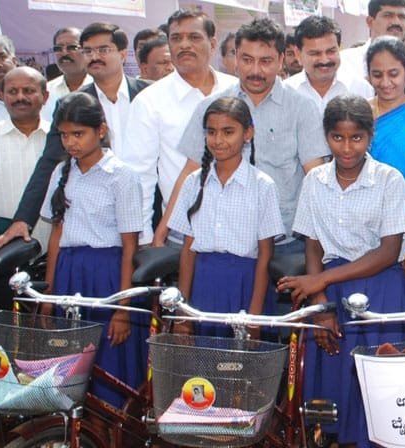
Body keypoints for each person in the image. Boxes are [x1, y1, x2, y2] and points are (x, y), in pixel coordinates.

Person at [276, 95, 405, 447]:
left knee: (381, 392)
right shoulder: (315, 180)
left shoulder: (389, 180)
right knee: (333, 390)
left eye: (356, 138)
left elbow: (387, 252)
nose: (347, 147)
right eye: (338, 137)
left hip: (381, 292)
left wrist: (319, 281)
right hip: (332, 294)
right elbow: (313, 245)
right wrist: (321, 306)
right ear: (327, 137)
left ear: (370, 137)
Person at [0, 23, 151, 257]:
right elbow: (49, 162)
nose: (94, 57)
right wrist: (23, 219)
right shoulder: (71, 103)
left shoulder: (150, 95)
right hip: (98, 225)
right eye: (87, 51)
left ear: (123, 53)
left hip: (150, 219)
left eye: (103, 49)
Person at [174, 17, 328, 255]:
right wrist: (161, 233)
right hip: (223, 240)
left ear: (280, 60)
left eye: (265, 61)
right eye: (247, 60)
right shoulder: (211, 106)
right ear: (235, 59)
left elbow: (315, 176)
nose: (256, 70)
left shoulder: (301, 108)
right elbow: (190, 172)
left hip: (285, 244)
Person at [39, 92, 145, 409]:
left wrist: (123, 308)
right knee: (69, 362)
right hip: (69, 274)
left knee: (108, 362)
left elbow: (130, 246)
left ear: (100, 130)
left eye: (79, 134)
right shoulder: (61, 173)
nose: (71, 142)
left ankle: (111, 430)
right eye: (65, 135)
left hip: (107, 277)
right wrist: (48, 296)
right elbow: (56, 235)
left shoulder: (121, 175)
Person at [168, 97, 283, 337]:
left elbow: (265, 256)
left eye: (228, 132)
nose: (218, 140)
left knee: (240, 366)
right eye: (211, 132)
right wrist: (183, 310)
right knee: (202, 363)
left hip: (246, 283)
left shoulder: (262, 186)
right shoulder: (193, 183)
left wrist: (254, 316)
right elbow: (188, 251)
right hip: (203, 283)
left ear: (248, 133)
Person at [122, 9, 237, 246]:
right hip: (182, 234)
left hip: (242, 230)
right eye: (176, 38)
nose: (184, 45)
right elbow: (138, 176)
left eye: (194, 37)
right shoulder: (150, 101)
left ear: (212, 44)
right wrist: (144, 238)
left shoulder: (237, 91)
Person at [0, 67, 50, 311]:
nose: (20, 97)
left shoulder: (62, 139)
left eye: (28, 90)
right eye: (12, 91)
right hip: (1, 259)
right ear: (2, 95)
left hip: (53, 257)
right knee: (4, 335)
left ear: (45, 96)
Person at [366, 37, 405, 219]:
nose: (385, 83)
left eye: (393, 74)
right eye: (377, 75)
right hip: (366, 217)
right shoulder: (359, 114)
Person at [339, 0, 405, 98]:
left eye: (401, 17)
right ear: (370, 22)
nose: (396, 22)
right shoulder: (346, 63)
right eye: (388, 15)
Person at [284, 15, 373, 115]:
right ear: (298, 54)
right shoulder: (285, 93)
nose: (324, 60)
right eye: (315, 53)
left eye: (331, 51)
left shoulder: (360, 88)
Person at [41, 27, 92, 123]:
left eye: (72, 47)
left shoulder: (101, 88)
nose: (64, 53)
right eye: (58, 48)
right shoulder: (46, 91)